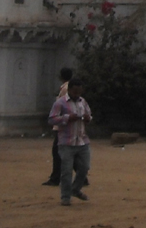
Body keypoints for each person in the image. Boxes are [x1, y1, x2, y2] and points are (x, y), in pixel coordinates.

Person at [48, 77, 92, 206]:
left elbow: (89, 115)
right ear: (70, 90)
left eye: (79, 92)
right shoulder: (60, 103)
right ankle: (65, 197)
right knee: (66, 171)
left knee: (84, 168)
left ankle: (75, 189)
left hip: (82, 141)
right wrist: (67, 118)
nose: (76, 94)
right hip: (66, 142)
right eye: (74, 92)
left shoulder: (83, 102)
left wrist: (88, 118)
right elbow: (51, 119)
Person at [42, 67, 72, 186]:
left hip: (63, 124)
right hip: (66, 123)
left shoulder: (65, 89)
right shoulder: (68, 87)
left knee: (57, 151)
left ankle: (55, 178)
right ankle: (82, 176)